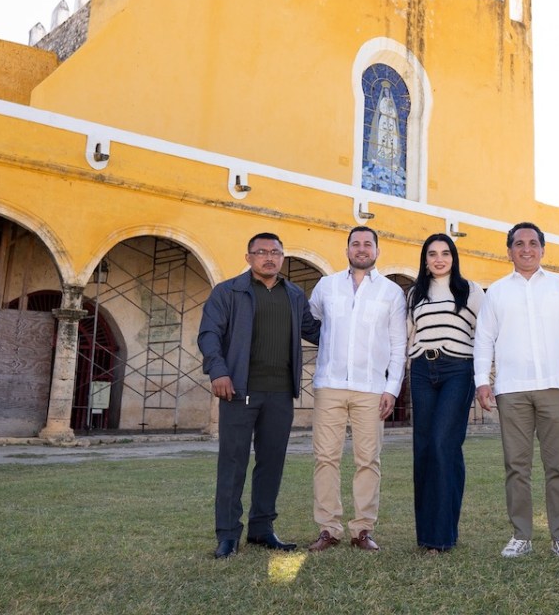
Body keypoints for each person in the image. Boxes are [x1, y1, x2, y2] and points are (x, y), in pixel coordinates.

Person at [197, 232, 321, 559]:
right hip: (239, 390)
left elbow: (318, 331)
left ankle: (262, 529)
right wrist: (218, 371)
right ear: (248, 257)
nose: (269, 257)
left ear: (282, 257)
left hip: (280, 392)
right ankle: (227, 535)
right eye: (261, 252)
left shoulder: (294, 294)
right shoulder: (228, 292)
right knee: (233, 462)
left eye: (276, 252)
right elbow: (209, 334)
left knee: (271, 463)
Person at [474, 222, 559, 560]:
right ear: (509, 250)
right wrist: (482, 380)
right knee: (516, 465)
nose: (527, 249)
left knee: (558, 465)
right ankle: (521, 534)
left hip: (555, 386)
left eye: (533, 243)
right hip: (511, 390)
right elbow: (483, 340)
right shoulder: (496, 292)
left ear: (543, 248)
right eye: (519, 243)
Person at [306, 226, 407, 552]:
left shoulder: (391, 293)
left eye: (368, 244)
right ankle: (329, 528)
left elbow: (398, 344)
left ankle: (362, 529)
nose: (361, 249)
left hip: (371, 388)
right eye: (356, 244)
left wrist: (391, 389)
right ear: (347, 248)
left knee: (368, 460)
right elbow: (315, 322)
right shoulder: (326, 286)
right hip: (329, 385)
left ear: (377, 251)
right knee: (325, 458)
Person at [407, 233, 485, 553]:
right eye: (432, 254)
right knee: (425, 450)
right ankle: (429, 534)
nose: (439, 259)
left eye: (445, 253)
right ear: (425, 260)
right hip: (422, 372)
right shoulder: (414, 294)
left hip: (457, 370)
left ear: (454, 257)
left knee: (443, 443)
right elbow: (408, 336)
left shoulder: (470, 291)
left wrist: (484, 378)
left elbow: (485, 336)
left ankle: (441, 536)